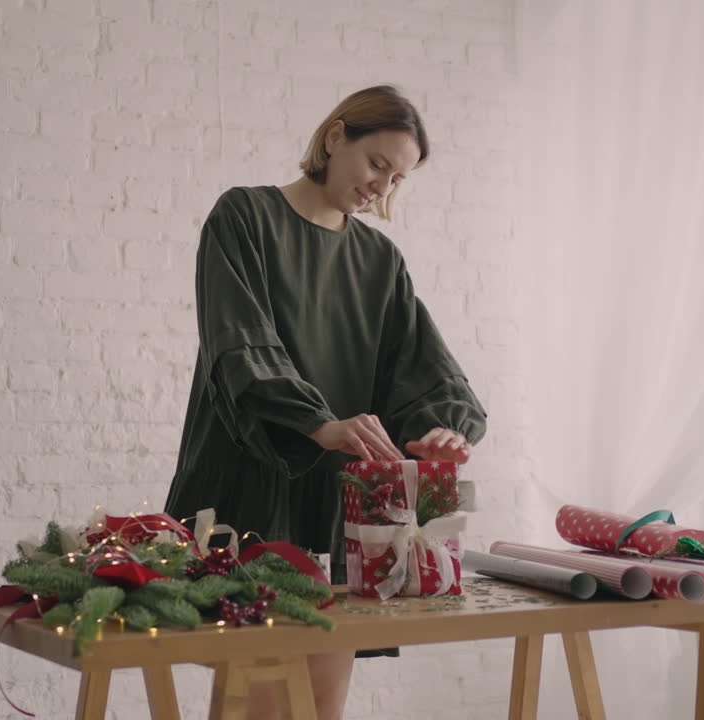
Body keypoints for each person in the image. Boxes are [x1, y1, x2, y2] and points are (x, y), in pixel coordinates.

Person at [163, 85, 488, 720]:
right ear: (336, 136)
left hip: (342, 501)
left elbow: (419, 366)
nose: (381, 187)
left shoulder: (378, 259)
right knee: (253, 692)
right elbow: (239, 346)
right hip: (253, 481)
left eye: (397, 178)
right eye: (376, 164)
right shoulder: (245, 217)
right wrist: (317, 423)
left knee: (321, 699)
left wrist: (441, 430)